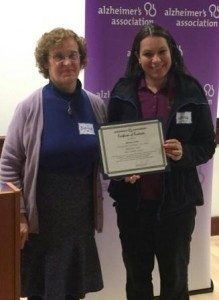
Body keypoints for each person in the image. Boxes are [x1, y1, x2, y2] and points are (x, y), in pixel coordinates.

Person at [107, 24, 216, 300]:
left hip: (177, 207)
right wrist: (122, 171)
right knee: (137, 281)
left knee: (176, 281)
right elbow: (109, 145)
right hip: (133, 206)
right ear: (136, 57)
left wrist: (185, 154)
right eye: (147, 54)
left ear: (173, 52)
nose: (156, 60)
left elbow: (207, 144)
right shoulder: (122, 90)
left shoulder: (191, 90)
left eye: (162, 52)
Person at [0, 27, 107, 300]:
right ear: (45, 63)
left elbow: (106, 157)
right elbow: (9, 165)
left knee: (73, 289)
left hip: (80, 214)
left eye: (73, 55)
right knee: (42, 289)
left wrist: (126, 172)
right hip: (41, 217)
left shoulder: (96, 106)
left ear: (82, 60)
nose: (67, 62)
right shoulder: (29, 107)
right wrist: (20, 214)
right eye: (58, 56)